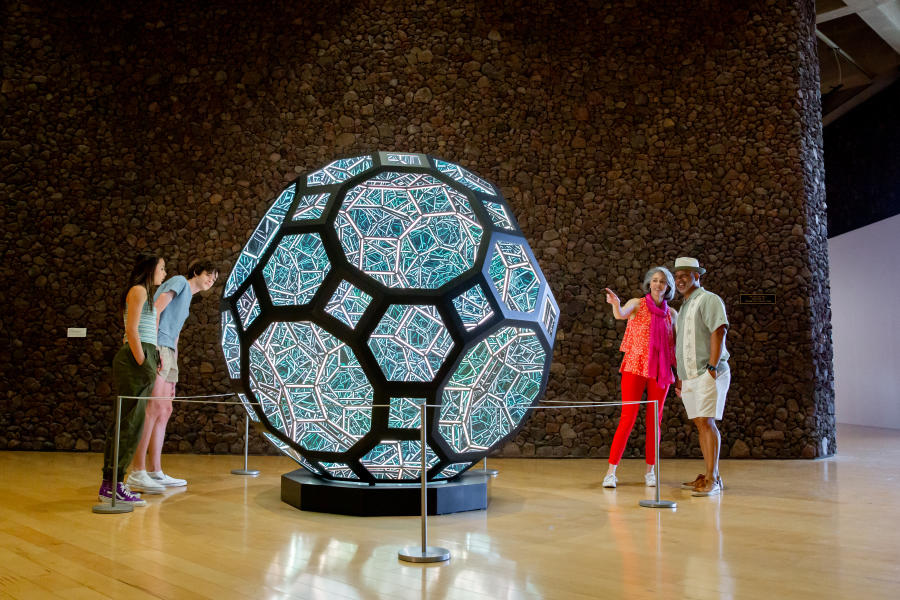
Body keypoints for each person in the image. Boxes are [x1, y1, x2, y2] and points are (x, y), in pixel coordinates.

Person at [126, 260, 218, 493]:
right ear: (196, 272)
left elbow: (175, 332)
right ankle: (137, 472)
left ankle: (155, 471)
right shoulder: (179, 282)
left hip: (169, 352)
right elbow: (155, 310)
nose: (211, 280)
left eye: (215, 278)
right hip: (159, 347)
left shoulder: (188, 298)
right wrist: (154, 347)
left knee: (165, 410)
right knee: (153, 409)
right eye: (209, 274)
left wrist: (173, 364)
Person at [98, 253, 166, 506]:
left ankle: (114, 484)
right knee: (127, 424)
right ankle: (112, 485)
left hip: (143, 354)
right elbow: (131, 330)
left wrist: (153, 354)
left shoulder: (145, 293)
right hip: (135, 358)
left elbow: (144, 330)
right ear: (150, 269)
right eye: (162, 268)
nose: (164, 272)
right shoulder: (138, 290)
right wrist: (142, 360)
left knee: (132, 424)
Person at [602, 267, 678, 488]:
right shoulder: (637, 303)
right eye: (654, 280)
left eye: (662, 281)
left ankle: (650, 471)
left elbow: (678, 344)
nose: (658, 284)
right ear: (649, 284)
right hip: (635, 367)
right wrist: (616, 303)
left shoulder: (672, 314)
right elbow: (620, 315)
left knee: (655, 420)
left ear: (668, 287)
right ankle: (611, 472)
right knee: (628, 417)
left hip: (660, 371)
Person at [672, 256, 730, 497]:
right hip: (691, 375)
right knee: (700, 423)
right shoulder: (685, 306)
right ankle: (708, 474)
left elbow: (719, 330)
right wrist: (681, 378)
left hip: (709, 372)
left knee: (706, 422)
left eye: (685, 274)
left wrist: (712, 368)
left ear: (698, 276)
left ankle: (713, 478)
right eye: (676, 276)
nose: (680, 280)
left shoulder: (708, 299)